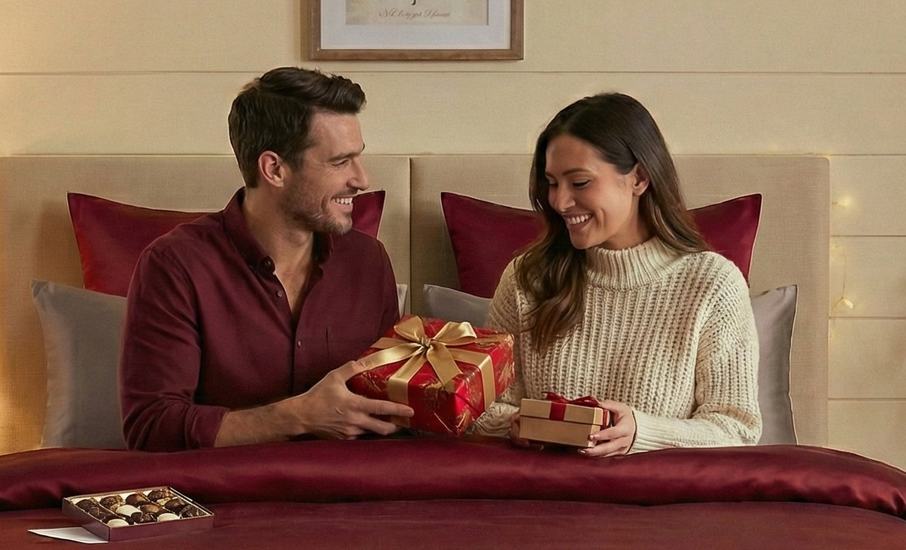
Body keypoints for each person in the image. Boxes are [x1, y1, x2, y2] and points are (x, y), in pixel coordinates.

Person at [120, 67, 412, 451]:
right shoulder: (175, 265)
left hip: (349, 497)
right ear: (274, 169)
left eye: (358, 158)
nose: (362, 179)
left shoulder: (367, 260)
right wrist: (297, 416)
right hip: (225, 498)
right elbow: (152, 427)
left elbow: (388, 403)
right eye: (341, 162)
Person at [477, 94, 761, 455]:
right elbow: (484, 408)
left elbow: (737, 428)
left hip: (657, 504)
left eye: (579, 183)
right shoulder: (526, 279)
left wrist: (642, 432)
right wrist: (515, 424)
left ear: (639, 177)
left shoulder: (712, 284)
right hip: (546, 498)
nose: (559, 202)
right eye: (551, 183)